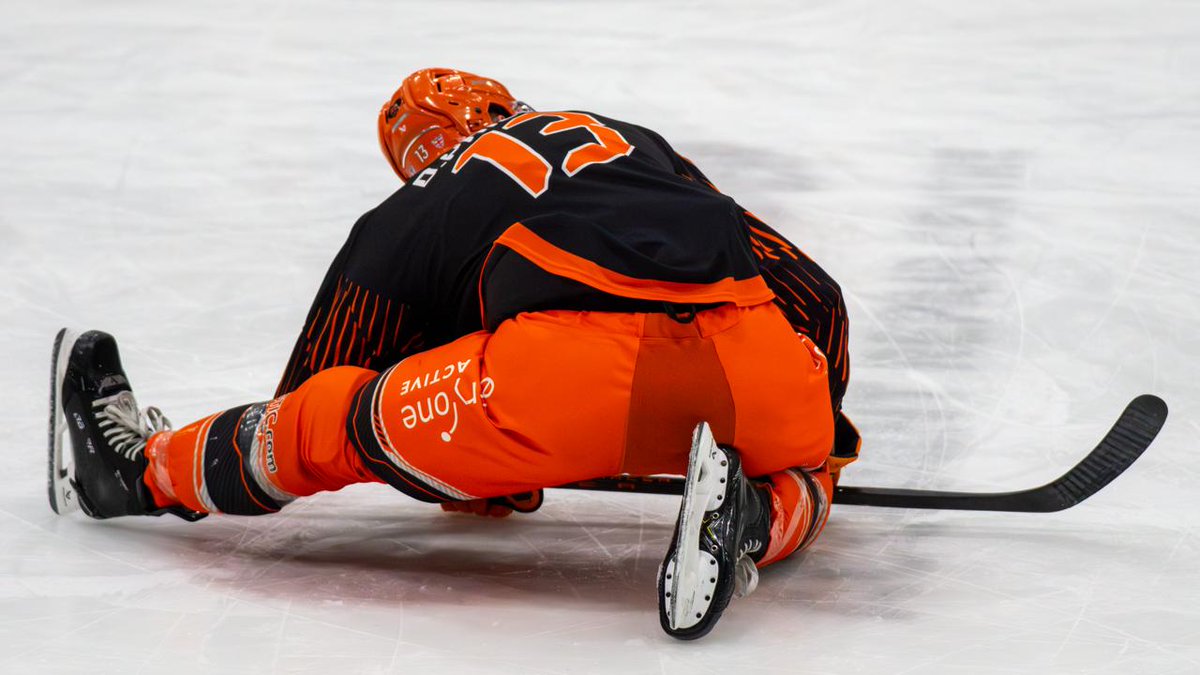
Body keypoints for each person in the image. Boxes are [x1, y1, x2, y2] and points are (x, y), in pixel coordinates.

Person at [47, 68, 858, 640]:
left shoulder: (416, 205)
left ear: (418, 157)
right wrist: (820, 430)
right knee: (804, 462)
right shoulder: (635, 144)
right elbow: (814, 295)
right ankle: (762, 516)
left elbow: (307, 397)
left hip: (557, 386)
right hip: (752, 357)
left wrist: (482, 470)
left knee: (332, 424)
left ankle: (133, 472)